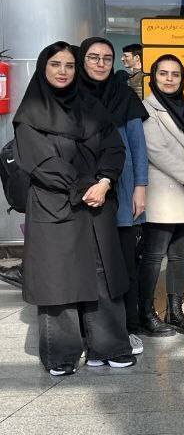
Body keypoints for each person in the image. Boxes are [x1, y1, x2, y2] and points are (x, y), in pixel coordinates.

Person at [14, 42, 135, 375]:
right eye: (55, 64)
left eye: (69, 65)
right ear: (43, 68)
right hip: (55, 206)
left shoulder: (91, 105)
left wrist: (105, 181)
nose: (63, 71)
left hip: (97, 203)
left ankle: (109, 346)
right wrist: (86, 188)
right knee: (59, 281)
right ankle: (61, 354)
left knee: (103, 275)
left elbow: (114, 147)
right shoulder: (30, 113)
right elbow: (42, 163)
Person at [76, 37, 149, 353]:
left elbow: (138, 145)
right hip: (81, 191)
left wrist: (141, 187)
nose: (101, 63)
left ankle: (127, 328)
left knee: (123, 263)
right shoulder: (71, 95)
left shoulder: (124, 95)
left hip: (121, 188)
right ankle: (86, 332)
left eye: (107, 58)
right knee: (85, 265)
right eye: (94, 57)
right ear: (82, 60)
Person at [141, 55, 184, 335]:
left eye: (175, 74)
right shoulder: (146, 109)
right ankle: (145, 313)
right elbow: (156, 151)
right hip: (165, 194)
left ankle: (174, 311)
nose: (169, 79)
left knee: (180, 255)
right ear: (153, 77)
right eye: (163, 74)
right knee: (153, 256)